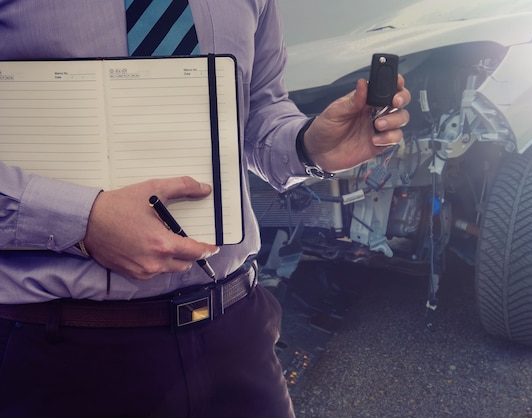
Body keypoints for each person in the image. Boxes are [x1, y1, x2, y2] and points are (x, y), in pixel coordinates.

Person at [0, 0, 410, 417]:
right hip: (60, 353)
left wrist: (308, 145)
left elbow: (260, 109)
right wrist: (82, 220)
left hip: (234, 331)